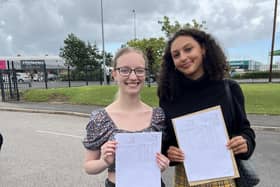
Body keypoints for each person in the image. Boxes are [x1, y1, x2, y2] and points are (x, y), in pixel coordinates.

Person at [157, 28, 256, 187]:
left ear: (203, 49)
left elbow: (245, 130)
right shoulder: (168, 95)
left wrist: (245, 142)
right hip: (187, 178)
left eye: (188, 49)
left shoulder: (229, 89)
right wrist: (169, 150)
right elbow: (166, 138)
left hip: (226, 178)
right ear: (172, 62)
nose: (183, 57)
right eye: (176, 55)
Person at [83, 47, 170, 187]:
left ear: (145, 74)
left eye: (139, 70)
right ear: (114, 74)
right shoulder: (100, 118)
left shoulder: (158, 116)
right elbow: (88, 166)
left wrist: (164, 163)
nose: (133, 77)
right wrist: (104, 161)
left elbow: (164, 155)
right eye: (125, 70)